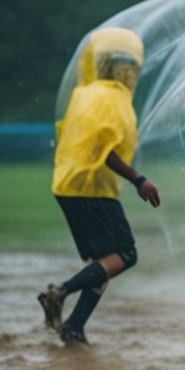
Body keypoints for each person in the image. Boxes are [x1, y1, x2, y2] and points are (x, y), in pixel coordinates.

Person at [37, 28, 160, 344]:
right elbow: (105, 152)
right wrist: (139, 180)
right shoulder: (114, 98)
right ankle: (60, 292)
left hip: (67, 184)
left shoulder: (84, 93)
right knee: (126, 254)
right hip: (92, 187)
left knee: (103, 263)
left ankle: (74, 328)